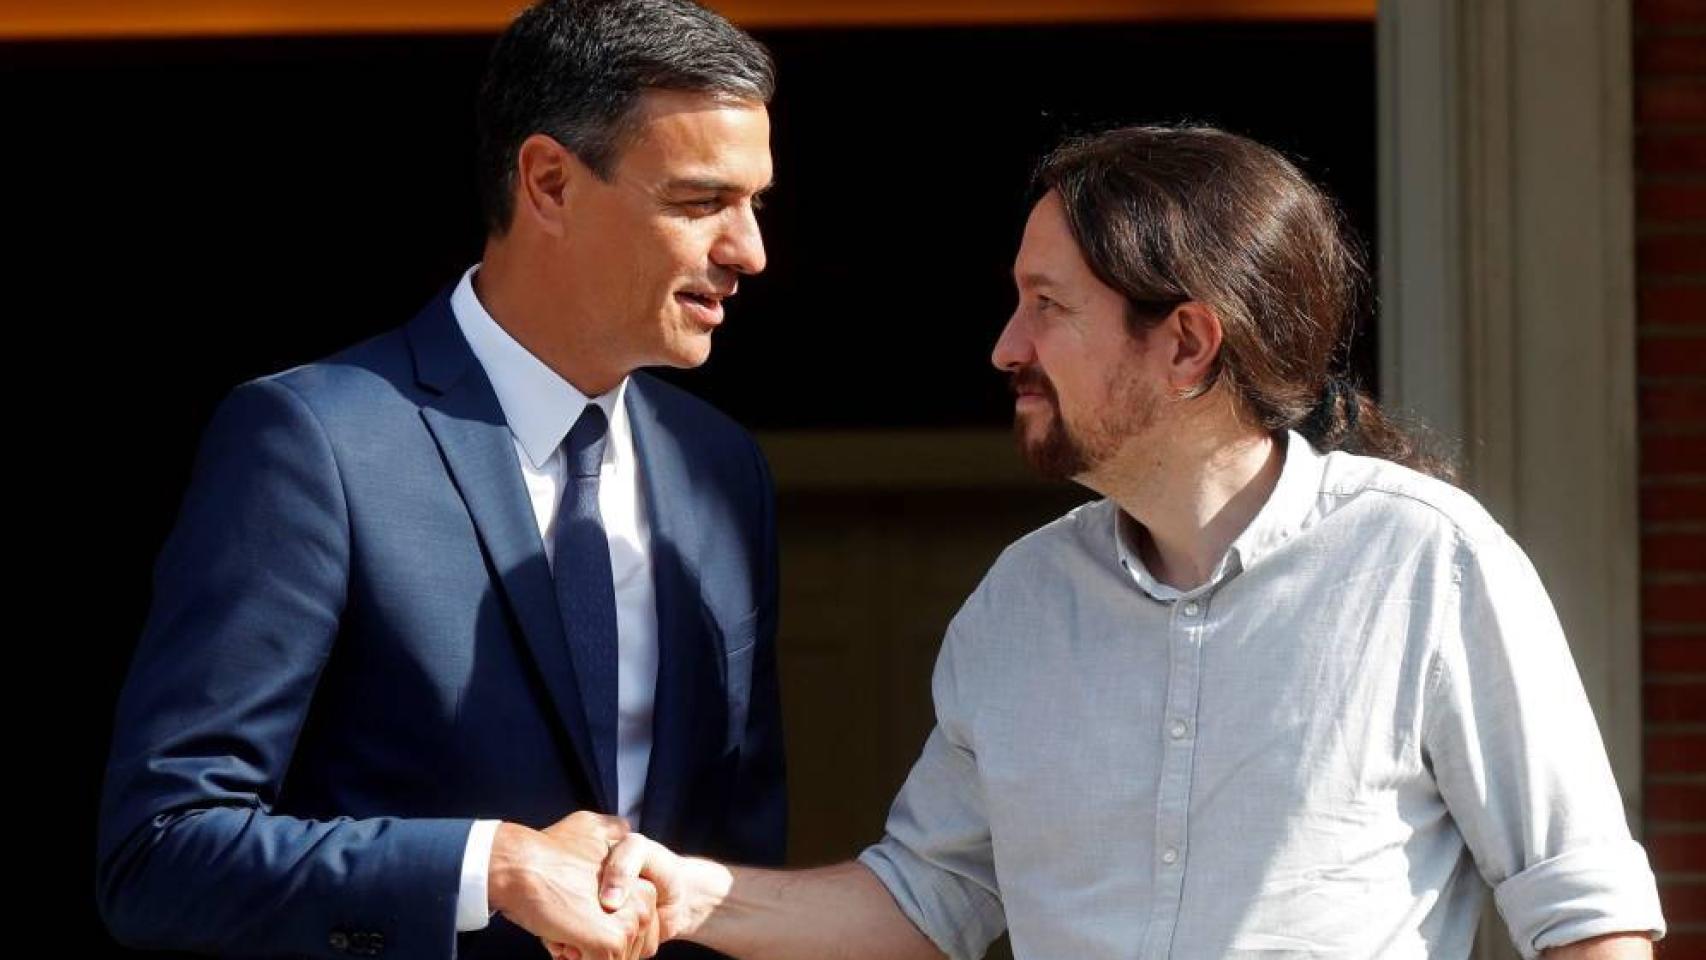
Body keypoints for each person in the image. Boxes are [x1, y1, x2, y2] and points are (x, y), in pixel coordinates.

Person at [574, 126, 1667, 960]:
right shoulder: (1019, 604)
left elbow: (1585, 915)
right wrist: (688, 895)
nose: (1005, 347)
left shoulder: (1425, 563)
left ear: (1186, 343)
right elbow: (926, 899)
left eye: (1046, 306)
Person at [96, 2, 783, 957]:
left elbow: (738, 856)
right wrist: (491, 866)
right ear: (549, 182)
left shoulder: (721, 469)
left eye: (755, 205)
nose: (749, 251)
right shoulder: (314, 444)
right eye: (702, 201)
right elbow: (161, 852)